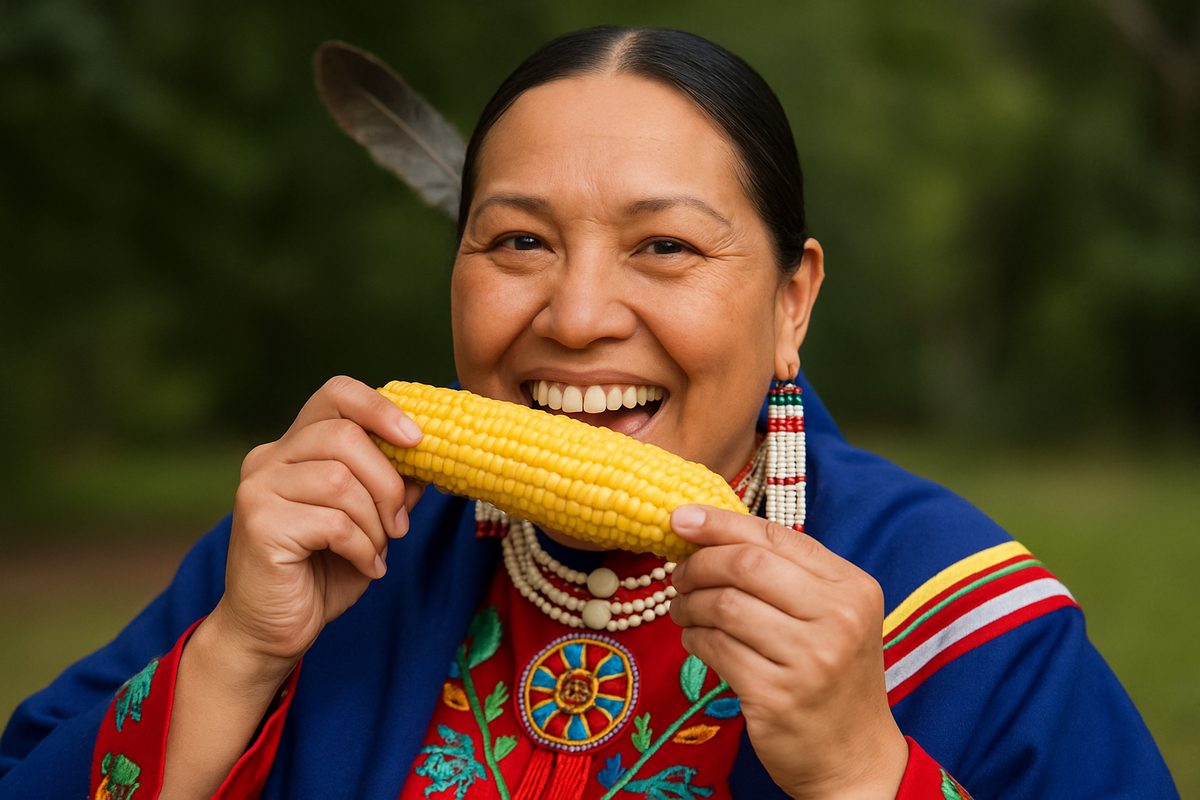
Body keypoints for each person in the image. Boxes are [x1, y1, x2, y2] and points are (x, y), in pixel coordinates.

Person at [0, 26, 1177, 800]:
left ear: (792, 300)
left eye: (663, 245)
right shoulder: (327, 547)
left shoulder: (968, 615)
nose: (574, 315)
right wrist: (234, 656)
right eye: (518, 241)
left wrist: (869, 770)